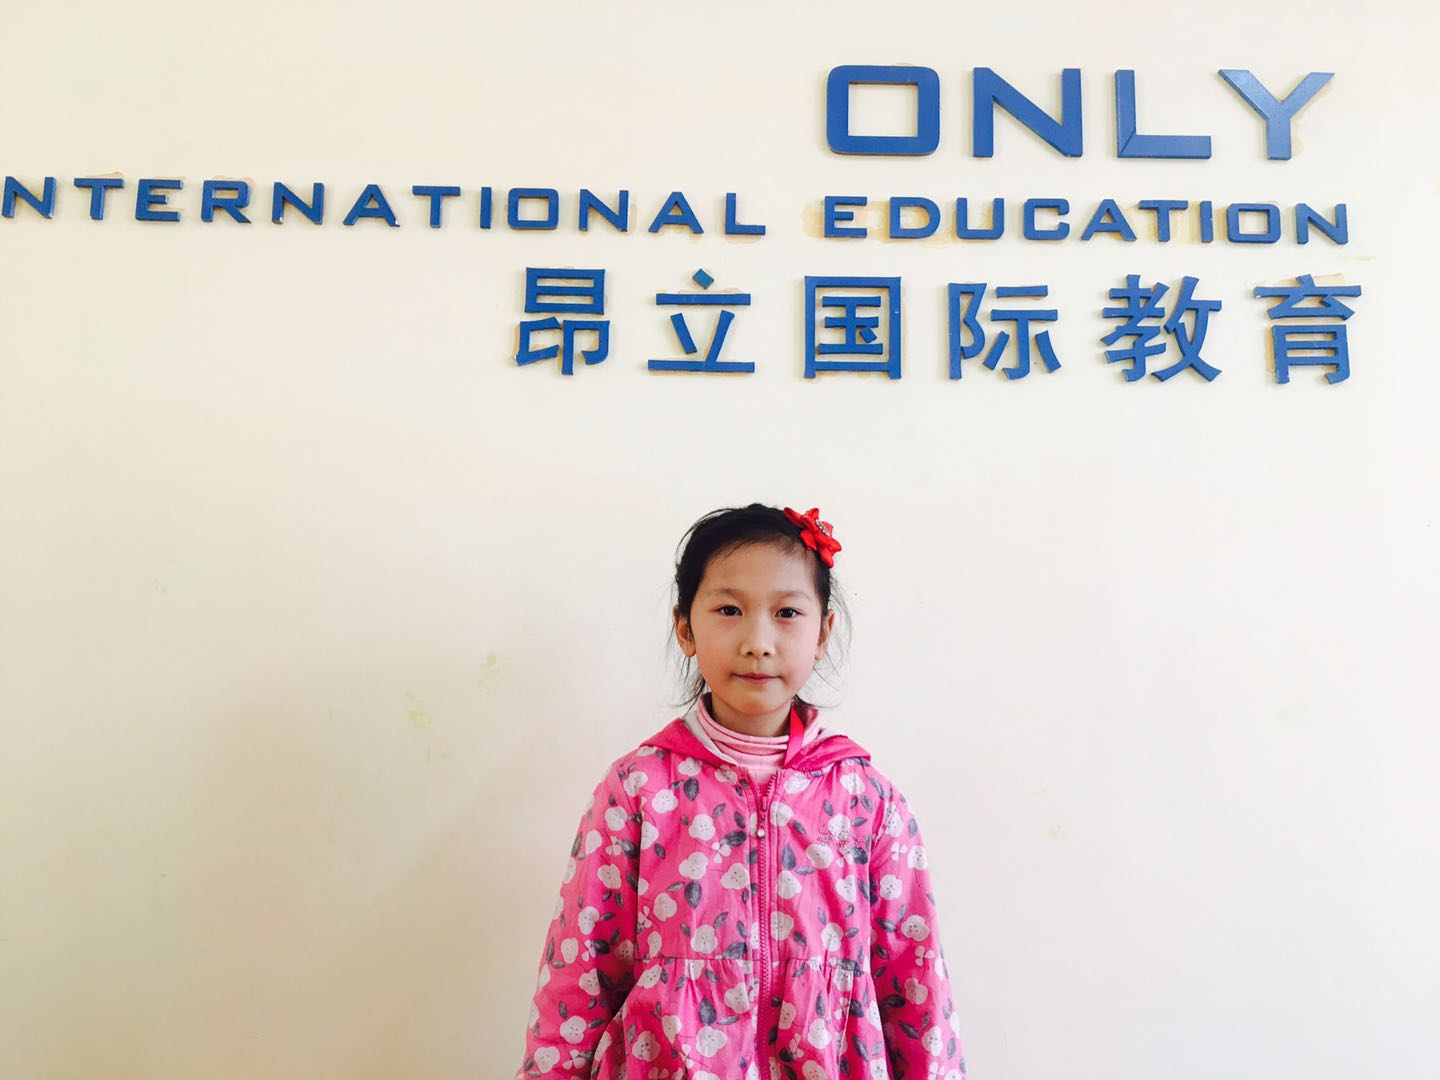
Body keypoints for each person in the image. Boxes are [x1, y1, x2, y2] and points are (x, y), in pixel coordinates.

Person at [516, 504, 967, 1080]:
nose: (758, 641)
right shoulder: (637, 791)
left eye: (787, 612)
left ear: (823, 632)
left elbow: (915, 983)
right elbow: (580, 975)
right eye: (729, 610)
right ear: (685, 629)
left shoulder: (868, 804)